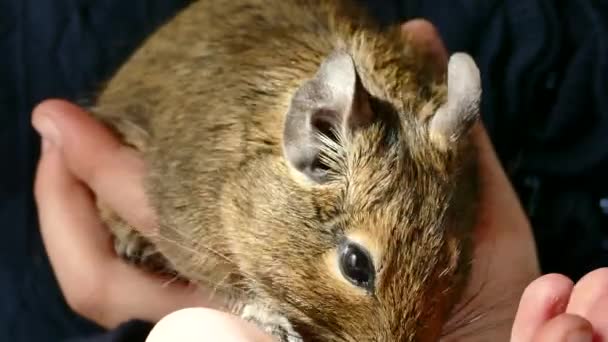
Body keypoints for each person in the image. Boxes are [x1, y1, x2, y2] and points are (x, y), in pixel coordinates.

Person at [3, 0, 607, 341]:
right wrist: (240, 303)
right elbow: (166, 202)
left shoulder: (448, 165)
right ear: (313, 145)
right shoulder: (235, 190)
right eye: (355, 265)